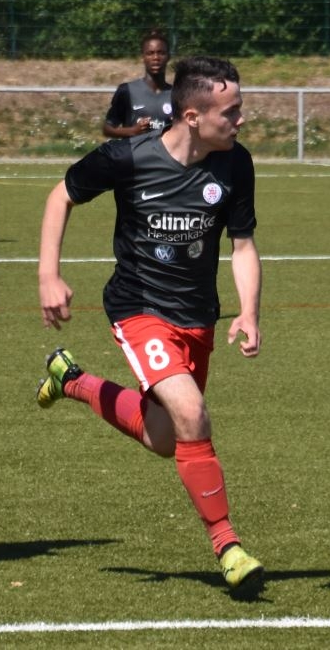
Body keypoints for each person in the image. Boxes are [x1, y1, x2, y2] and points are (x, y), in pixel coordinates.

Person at [38, 56, 264, 593]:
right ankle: (228, 547)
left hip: (197, 316)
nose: (241, 120)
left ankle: (73, 380)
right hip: (139, 307)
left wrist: (249, 311)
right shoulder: (129, 157)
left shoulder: (236, 163)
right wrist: (49, 274)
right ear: (193, 116)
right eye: (231, 111)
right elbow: (62, 195)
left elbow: (243, 245)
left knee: (165, 438)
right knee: (192, 413)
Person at [101, 29, 173, 138]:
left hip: (165, 150)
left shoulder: (177, 94)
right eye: (150, 53)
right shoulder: (127, 91)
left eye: (161, 53)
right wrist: (133, 131)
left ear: (168, 57)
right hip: (135, 149)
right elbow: (107, 129)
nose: (156, 58)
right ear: (142, 57)